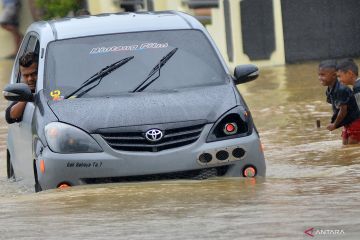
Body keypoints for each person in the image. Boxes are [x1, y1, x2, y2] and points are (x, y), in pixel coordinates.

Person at [318, 59, 360, 145]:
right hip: (349, 122)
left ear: (349, 73)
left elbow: (344, 110)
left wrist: (335, 124)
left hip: (355, 122)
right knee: (348, 148)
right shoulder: (331, 90)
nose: (339, 80)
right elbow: (337, 108)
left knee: (351, 148)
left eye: (339, 76)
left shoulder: (354, 88)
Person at [5, 52, 38, 124]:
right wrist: (27, 96)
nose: (30, 79)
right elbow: (10, 116)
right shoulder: (24, 92)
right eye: (26, 76)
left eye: (34, 74)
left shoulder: (52, 87)